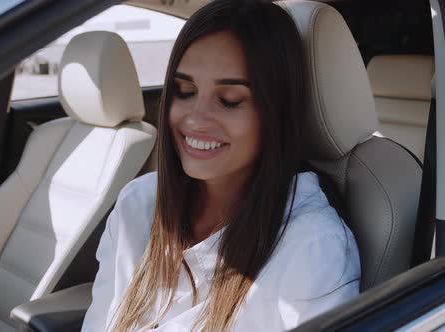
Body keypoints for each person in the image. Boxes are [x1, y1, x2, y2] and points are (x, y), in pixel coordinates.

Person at [82, 0, 360, 331]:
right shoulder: (138, 203)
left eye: (229, 101)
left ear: (276, 113)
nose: (195, 119)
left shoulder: (314, 247)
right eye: (184, 91)